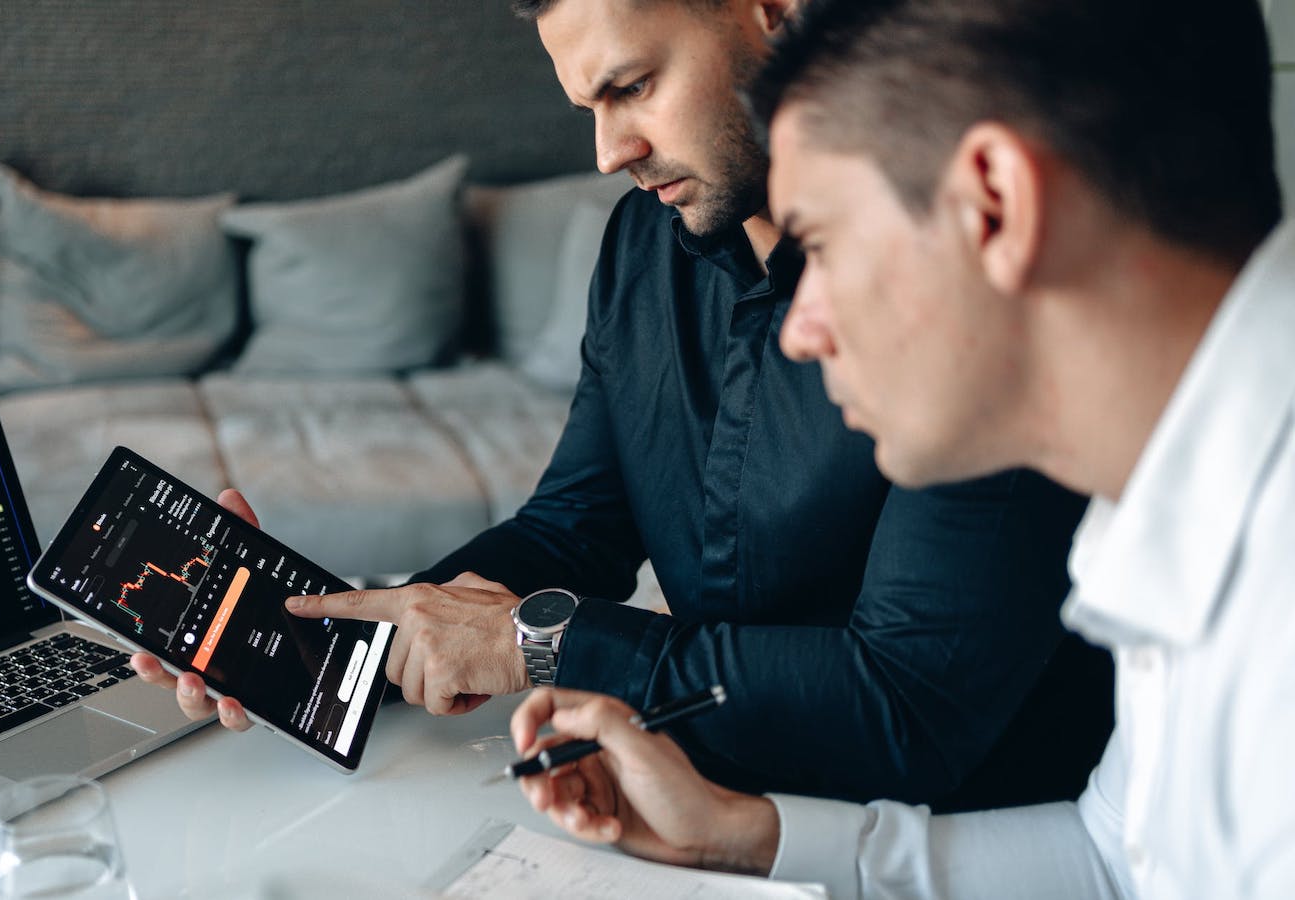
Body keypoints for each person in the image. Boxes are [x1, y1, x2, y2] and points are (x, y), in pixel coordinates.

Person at [133, 0, 1113, 810]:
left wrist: (544, 642)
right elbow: (572, 531)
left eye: (632, 87)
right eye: (588, 106)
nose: (609, 151)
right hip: (697, 813)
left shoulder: (962, 273)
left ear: (774, 14)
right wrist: (313, 641)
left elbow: (909, 711)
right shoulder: (644, 249)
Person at [511, 0, 1293, 896]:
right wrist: (738, 837)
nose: (795, 332)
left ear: (994, 204)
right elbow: (1115, 858)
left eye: (821, 242)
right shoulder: (1167, 499)